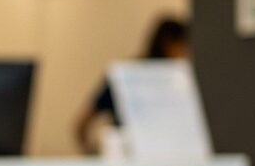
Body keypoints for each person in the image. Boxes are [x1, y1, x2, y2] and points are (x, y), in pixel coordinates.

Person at [74, 17, 190, 155]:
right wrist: (92, 157)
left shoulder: (180, 82)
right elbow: (82, 122)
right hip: (129, 162)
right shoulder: (129, 77)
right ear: (168, 43)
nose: (186, 55)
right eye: (183, 47)